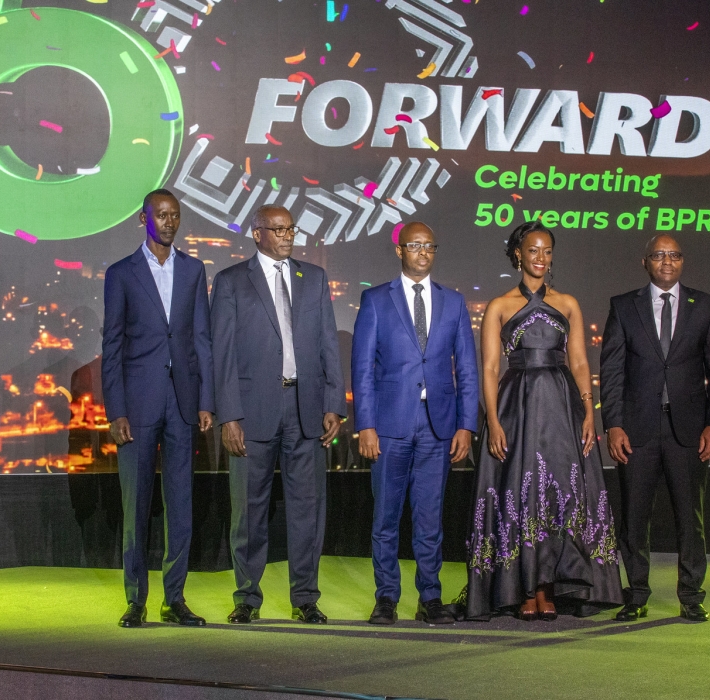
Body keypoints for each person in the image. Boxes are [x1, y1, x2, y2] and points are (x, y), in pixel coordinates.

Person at [456, 221, 622, 622]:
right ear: (518, 254)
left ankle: (549, 588)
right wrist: (492, 421)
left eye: (547, 251)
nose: (541, 258)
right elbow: (491, 367)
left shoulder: (568, 303)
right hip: (518, 406)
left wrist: (588, 411)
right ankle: (524, 589)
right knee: (521, 490)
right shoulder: (499, 305)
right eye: (533, 250)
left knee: (561, 490)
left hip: (563, 406)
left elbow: (580, 361)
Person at [210, 205, 345, 625]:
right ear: (257, 234)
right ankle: (247, 598)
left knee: (307, 510)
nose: (287, 236)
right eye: (279, 229)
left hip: (304, 410)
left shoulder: (314, 278)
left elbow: (327, 344)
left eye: (291, 228)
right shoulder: (232, 281)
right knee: (248, 512)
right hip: (252, 414)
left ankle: (306, 598)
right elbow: (223, 354)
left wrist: (333, 403)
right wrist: (228, 415)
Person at [352, 222, 478, 626]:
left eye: (429, 245)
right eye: (415, 246)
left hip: (439, 426)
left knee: (429, 518)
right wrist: (365, 424)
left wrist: (466, 425)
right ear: (400, 251)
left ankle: (430, 597)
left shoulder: (454, 302)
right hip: (389, 425)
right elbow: (363, 369)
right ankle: (386, 598)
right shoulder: (375, 300)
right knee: (386, 518)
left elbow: (468, 371)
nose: (423, 252)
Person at [600, 233, 710, 623]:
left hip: (689, 430)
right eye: (659, 255)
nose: (667, 261)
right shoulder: (624, 306)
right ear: (646, 262)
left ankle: (691, 596)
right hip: (636, 430)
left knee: (690, 518)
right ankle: (636, 595)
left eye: (674, 255)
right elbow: (611, 371)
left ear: (682, 261)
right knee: (634, 519)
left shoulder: (704, 305)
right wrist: (614, 424)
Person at [101, 189, 214, 628]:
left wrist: (206, 401)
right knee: (137, 506)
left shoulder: (192, 270)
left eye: (175, 215)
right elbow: (112, 345)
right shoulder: (122, 273)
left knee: (180, 503)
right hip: (138, 402)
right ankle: (136, 600)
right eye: (161, 215)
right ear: (143, 218)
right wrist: (116, 411)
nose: (169, 222)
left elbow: (201, 340)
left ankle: (175, 599)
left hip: (183, 402)